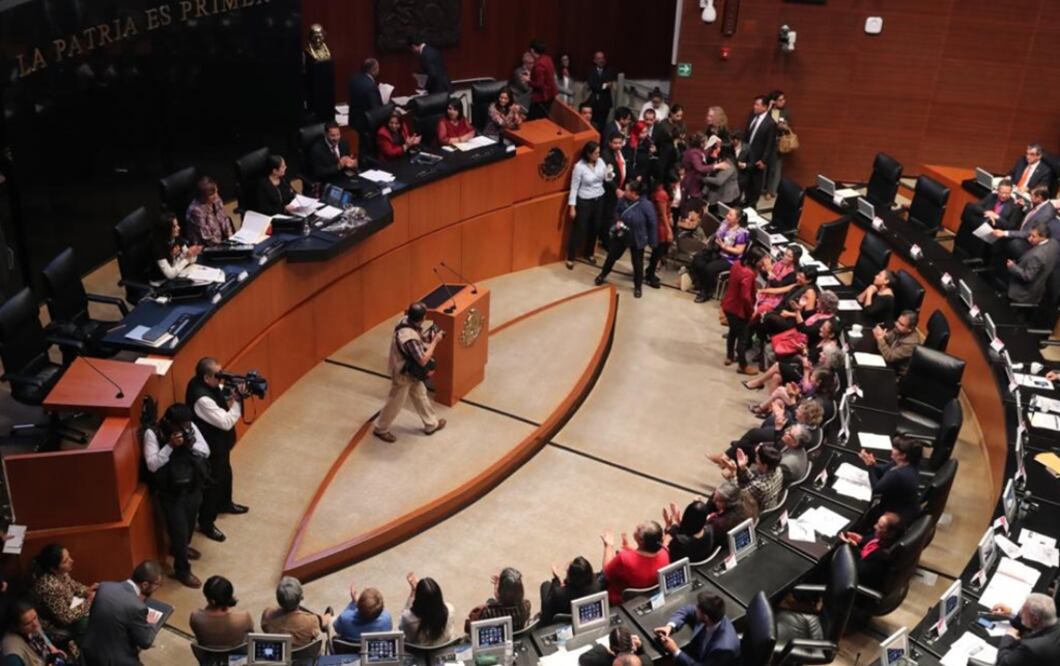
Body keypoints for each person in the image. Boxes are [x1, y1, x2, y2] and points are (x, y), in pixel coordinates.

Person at [143, 404, 210, 587]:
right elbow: (152, 465)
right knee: (179, 531)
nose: (184, 427)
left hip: (192, 486)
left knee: (188, 525)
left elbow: (205, 450)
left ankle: (181, 548)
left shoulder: (189, 427)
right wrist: (170, 446)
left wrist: (190, 444)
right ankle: (182, 571)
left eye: (187, 424)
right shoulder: (153, 433)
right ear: (169, 422)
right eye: (180, 424)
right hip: (170, 492)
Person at [188, 357, 249, 544]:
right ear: (206, 378)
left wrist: (232, 392)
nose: (221, 378)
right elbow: (225, 422)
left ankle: (225, 503)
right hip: (211, 449)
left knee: (226, 475)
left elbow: (220, 392)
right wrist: (237, 401)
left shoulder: (207, 384)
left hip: (221, 447)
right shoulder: (202, 398)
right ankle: (207, 523)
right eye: (218, 375)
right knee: (213, 485)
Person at [373, 302, 446, 442]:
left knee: (420, 394)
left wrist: (426, 338)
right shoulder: (410, 338)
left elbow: (417, 341)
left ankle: (431, 424)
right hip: (403, 373)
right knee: (395, 401)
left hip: (410, 371)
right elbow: (423, 360)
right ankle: (380, 429)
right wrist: (435, 341)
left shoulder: (404, 321)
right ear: (423, 317)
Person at [81, 561, 163, 665]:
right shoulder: (137, 607)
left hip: (89, 652)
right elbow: (145, 642)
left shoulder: (104, 586)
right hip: (113, 661)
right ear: (145, 585)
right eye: (157, 584)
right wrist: (151, 623)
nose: (158, 588)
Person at [594, 181, 659, 298]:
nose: (625, 191)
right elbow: (617, 211)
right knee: (611, 257)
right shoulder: (623, 200)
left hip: (637, 237)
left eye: (627, 190)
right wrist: (618, 220)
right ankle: (602, 275)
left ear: (634, 193)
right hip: (622, 234)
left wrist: (653, 241)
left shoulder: (646, 205)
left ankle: (638, 286)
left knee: (637, 263)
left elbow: (652, 223)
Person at [30, 544, 96, 651]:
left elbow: (74, 585)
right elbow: (65, 618)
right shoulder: (50, 586)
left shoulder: (61, 572)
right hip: (56, 624)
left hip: (70, 605)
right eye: (65, 561)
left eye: (69, 557)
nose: (71, 560)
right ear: (53, 568)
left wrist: (87, 590)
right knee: (89, 622)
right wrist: (88, 602)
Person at [654, 592, 740, 666]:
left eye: (698, 608)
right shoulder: (713, 616)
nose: (695, 608)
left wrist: (675, 650)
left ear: (705, 617)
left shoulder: (723, 648)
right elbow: (687, 609)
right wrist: (670, 626)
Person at [856, 436, 923, 526]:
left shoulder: (899, 474)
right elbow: (882, 470)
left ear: (903, 455)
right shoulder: (904, 463)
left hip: (898, 515)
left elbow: (876, 488)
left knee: (865, 519)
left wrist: (870, 467)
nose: (892, 449)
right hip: (905, 506)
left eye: (895, 448)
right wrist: (873, 463)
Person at [601, 522, 669, 604]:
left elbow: (606, 572)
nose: (638, 525)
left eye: (639, 529)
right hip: (644, 598)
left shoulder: (624, 558)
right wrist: (629, 549)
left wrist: (608, 545)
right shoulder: (665, 553)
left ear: (641, 540)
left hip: (620, 600)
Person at [691, 206, 749, 303]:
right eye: (728, 214)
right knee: (698, 260)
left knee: (709, 268)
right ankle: (700, 283)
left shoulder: (741, 233)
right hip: (716, 251)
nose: (727, 216)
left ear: (737, 219)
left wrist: (724, 247)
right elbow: (717, 235)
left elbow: (739, 251)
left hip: (730, 258)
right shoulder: (725, 224)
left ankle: (706, 292)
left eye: (730, 215)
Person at [567, 141, 609, 269]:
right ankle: (571, 257)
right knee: (580, 228)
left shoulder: (601, 162)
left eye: (598, 152)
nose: (598, 155)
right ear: (588, 154)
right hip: (585, 200)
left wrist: (610, 173)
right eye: (595, 153)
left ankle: (589, 252)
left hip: (599, 197)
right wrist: (572, 207)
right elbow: (574, 187)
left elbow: (606, 178)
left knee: (595, 227)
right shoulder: (579, 167)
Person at [838, 512, 904, 591]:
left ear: (889, 534)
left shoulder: (881, 556)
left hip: (857, 582)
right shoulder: (881, 537)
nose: (875, 526)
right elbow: (871, 541)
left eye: (880, 527)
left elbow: (858, 571)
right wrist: (861, 540)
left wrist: (851, 548)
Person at [261, 577, 333, 649]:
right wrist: (329, 614)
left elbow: (265, 629)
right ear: (301, 597)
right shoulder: (310, 621)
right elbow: (326, 620)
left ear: (278, 599)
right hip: (305, 657)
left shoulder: (267, 614)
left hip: (280, 654)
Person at [993, 186, 1059, 261]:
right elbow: (1032, 214)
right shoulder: (1042, 204)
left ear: (1039, 197)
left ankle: (998, 265)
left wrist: (1005, 233)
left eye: (1032, 195)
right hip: (1022, 230)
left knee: (1006, 241)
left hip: (1029, 241)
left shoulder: (1046, 214)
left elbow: (1030, 233)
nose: (1030, 197)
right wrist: (1024, 207)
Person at [992, 594, 1060, 666]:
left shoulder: (1030, 648)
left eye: (1023, 611)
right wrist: (1010, 612)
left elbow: (1004, 663)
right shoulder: (1052, 623)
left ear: (1035, 619)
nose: (1020, 612)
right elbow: (1033, 624)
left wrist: (1008, 637)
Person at [189, 575, 254, 649]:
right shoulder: (244, 617)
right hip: (236, 656)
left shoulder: (196, 617)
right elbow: (251, 631)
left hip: (209, 656)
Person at [721, 250, 759, 374]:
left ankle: (729, 356)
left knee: (732, 331)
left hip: (729, 304)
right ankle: (743, 365)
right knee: (742, 338)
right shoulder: (749, 274)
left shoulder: (737, 264)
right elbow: (746, 297)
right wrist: (751, 310)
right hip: (739, 310)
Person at [2, 600, 69, 666]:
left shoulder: (32, 628)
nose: (35, 624)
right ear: (16, 627)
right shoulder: (13, 655)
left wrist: (54, 651)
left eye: (35, 617)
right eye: (28, 623)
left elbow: (45, 639)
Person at [539, 557, 602, 625]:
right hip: (587, 619)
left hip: (563, 622)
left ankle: (543, 624)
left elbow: (548, 602)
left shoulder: (560, 593)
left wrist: (556, 580)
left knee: (545, 585)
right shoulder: (597, 586)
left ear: (570, 577)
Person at [1007, 223, 1058, 305]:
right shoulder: (1054, 243)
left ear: (1043, 236)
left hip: (1023, 293)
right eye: (1030, 235)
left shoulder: (1037, 255)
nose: (1029, 238)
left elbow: (1027, 276)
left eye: (1033, 236)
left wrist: (1013, 267)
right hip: (1038, 289)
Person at [400, 574, 457, 646]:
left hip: (418, 655)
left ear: (418, 599)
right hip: (442, 652)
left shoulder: (407, 619)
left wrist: (413, 592)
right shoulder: (450, 610)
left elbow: (402, 625)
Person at [466, 568, 531, 631]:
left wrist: (497, 592)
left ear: (500, 592)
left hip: (496, 640)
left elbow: (468, 629)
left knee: (490, 601)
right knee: (490, 600)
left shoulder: (486, 612)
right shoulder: (526, 606)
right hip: (517, 637)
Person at [743, 95, 777, 209]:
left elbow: (770, 144)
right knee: (746, 182)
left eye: (757, 105)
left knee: (755, 184)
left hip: (758, 159)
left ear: (765, 107)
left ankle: (752, 206)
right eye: (754, 104)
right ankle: (746, 202)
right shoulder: (752, 116)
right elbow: (746, 135)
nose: (754, 107)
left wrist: (764, 160)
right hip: (747, 155)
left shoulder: (770, 123)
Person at [645, 172, 677, 288]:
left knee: (659, 250)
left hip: (663, 223)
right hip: (660, 225)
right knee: (658, 250)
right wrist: (669, 230)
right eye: (674, 184)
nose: (675, 186)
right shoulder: (661, 194)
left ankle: (650, 271)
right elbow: (663, 215)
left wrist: (671, 216)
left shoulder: (663, 191)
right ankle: (650, 275)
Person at [731, 445, 784, 511]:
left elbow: (737, 495)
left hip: (756, 512)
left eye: (757, 458)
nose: (755, 460)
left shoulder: (760, 487)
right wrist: (743, 468)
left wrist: (733, 474)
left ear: (765, 465)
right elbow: (756, 479)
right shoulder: (778, 470)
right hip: (769, 504)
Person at [185, 177, 234, 247]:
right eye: (212, 194)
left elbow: (224, 218)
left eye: (216, 191)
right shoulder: (196, 211)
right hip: (206, 246)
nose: (216, 195)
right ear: (202, 196)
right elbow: (207, 238)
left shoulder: (216, 199)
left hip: (221, 239)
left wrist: (230, 235)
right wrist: (224, 246)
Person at [348, 58, 384, 156]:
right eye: (378, 68)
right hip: (366, 124)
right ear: (373, 70)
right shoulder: (371, 87)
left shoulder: (354, 78)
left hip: (354, 119)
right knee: (366, 148)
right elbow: (375, 110)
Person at [152, 211, 202, 281]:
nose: (179, 228)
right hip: (162, 282)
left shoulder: (176, 237)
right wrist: (186, 259)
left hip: (177, 273)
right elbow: (170, 275)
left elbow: (191, 259)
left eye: (177, 225)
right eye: (175, 226)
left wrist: (193, 253)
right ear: (167, 230)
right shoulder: (158, 247)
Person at [662, 499, 714, 563]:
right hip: (698, 563)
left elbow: (664, 552)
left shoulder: (680, 541)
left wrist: (668, 526)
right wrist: (677, 521)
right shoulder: (710, 530)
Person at [308, 121, 357, 187]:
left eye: (338, 134)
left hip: (343, 178)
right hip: (327, 182)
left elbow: (346, 163)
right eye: (333, 135)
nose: (336, 138)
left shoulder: (344, 144)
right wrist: (338, 166)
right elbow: (319, 172)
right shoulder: (317, 149)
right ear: (325, 134)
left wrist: (351, 163)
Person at [872, 310, 921, 375]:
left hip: (897, 372)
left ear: (910, 329)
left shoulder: (911, 343)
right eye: (898, 321)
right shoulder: (900, 329)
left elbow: (890, 357)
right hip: (890, 364)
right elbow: (888, 337)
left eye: (901, 324)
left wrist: (880, 339)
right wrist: (882, 335)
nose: (897, 324)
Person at [764, 90, 791, 201]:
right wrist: (769, 107)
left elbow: (786, 125)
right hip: (766, 143)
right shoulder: (769, 111)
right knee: (766, 167)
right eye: (780, 100)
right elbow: (763, 120)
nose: (783, 101)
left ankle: (772, 190)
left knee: (775, 168)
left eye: (783, 99)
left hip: (778, 142)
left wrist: (784, 127)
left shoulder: (785, 111)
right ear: (774, 101)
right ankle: (763, 188)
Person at [578, 627, 650, 666]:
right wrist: (640, 647)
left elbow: (583, 658)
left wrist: (603, 647)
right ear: (633, 645)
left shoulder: (601, 660)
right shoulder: (646, 661)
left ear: (612, 648)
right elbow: (643, 655)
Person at [586, 51, 617, 135]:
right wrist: (603, 86)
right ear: (594, 60)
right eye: (599, 58)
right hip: (593, 103)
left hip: (605, 103)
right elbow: (592, 85)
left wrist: (599, 86)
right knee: (592, 125)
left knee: (602, 126)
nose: (601, 60)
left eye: (602, 58)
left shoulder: (609, 70)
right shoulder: (590, 71)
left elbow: (609, 84)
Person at [702, 141, 741, 207]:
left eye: (719, 148)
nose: (717, 149)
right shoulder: (721, 159)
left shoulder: (728, 164)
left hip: (726, 196)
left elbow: (718, 181)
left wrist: (703, 178)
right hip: (720, 191)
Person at [527, 39, 557, 119]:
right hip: (551, 94)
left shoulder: (539, 66)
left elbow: (539, 84)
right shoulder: (548, 59)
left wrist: (528, 80)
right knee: (543, 119)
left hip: (542, 97)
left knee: (532, 120)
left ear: (532, 50)